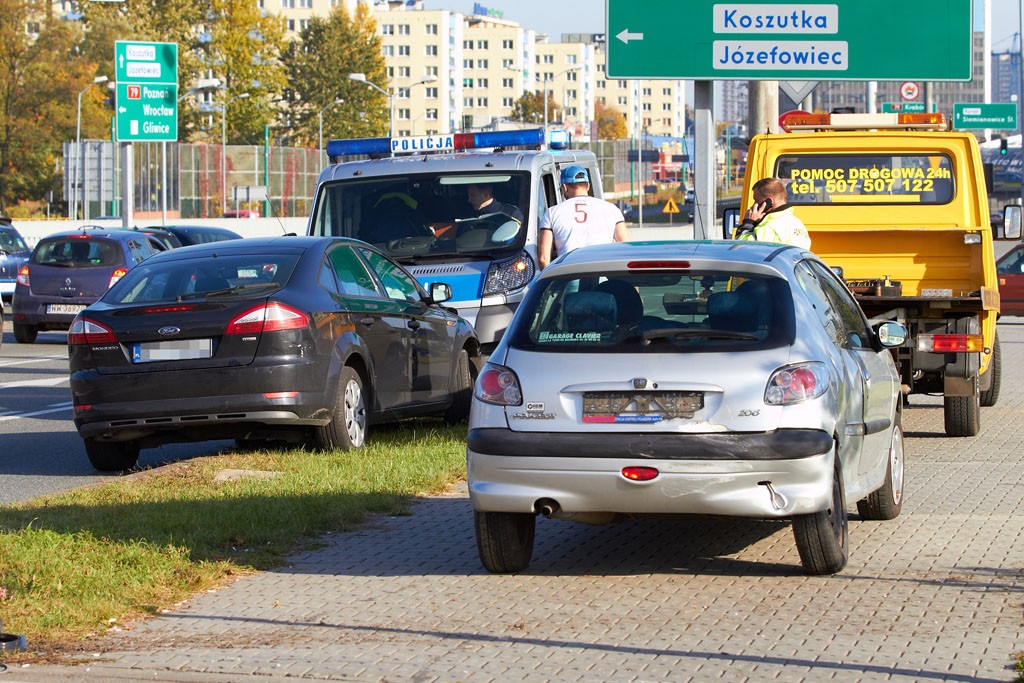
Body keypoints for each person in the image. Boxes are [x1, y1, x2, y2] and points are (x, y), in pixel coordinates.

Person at [538, 165, 628, 269]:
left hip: (569, 273)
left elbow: (543, 259)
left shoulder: (552, 212)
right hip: (603, 272)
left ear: (564, 187)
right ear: (588, 186)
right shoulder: (612, 209)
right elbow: (625, 248)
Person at [735, 177, 811, 249]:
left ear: (769, 202)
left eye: (756, 200)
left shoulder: (769, 228)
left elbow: (740, 249)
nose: (754, 204)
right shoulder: (798, 224)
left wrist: (748, 224)